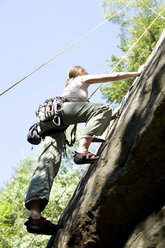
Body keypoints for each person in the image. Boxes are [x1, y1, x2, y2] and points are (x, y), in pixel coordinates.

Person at [24, 65, 144, 235]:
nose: (88, 73)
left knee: (47, 164)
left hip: (50, 121)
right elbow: (114, 75)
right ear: (80, 72)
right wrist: (138, 72)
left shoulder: (70, 90)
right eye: (86, 70)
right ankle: (82, 150)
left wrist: (111, 116)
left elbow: (89, 116)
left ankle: (35, 218)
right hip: (60, 113)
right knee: (103, 108)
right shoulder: (79, 79)